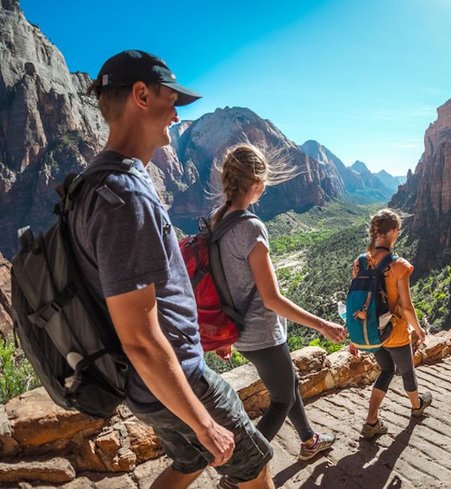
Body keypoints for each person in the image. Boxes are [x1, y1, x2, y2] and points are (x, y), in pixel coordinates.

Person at [75, 50, 273, 489]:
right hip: (177, 379)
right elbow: (141, 338)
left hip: (145, 385)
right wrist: (203, 421)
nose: (177, 115)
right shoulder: (125, 196)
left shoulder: (90, 183)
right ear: (142, 95)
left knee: (189, 463)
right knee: (254, 468)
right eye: (172, 100)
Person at [210, 143, 347, 488]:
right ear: (255, 182)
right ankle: (241, 471)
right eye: (264, 181)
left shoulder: (218, 220)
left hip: (241, 331)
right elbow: (272, 299)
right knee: (281, 400)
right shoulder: (251, 227)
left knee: (290, 385)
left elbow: (220, 281)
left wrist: (223, 334)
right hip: (262, 333)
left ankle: (309, 442)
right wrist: (322, 324)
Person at [348, 209, 433, 438]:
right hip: (393, 332)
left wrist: (353, 335)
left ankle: (371, 421)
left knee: (386, 369)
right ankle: (417, 407)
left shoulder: (360, 261)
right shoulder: (400, 266)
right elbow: (406, 307)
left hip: (371, 332)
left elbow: (357, 299)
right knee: (407, 371)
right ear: (394, 232)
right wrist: (419, 330)